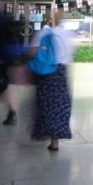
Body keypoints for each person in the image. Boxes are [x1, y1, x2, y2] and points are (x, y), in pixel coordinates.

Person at [29, 11, 73, 151]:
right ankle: (55, 142)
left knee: (45, 105)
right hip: (62, 73)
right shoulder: (68, 34)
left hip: (47, 72)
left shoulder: (44, 33)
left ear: (48, 20)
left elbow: (33, 52)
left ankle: (43, 133)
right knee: (60, 106)